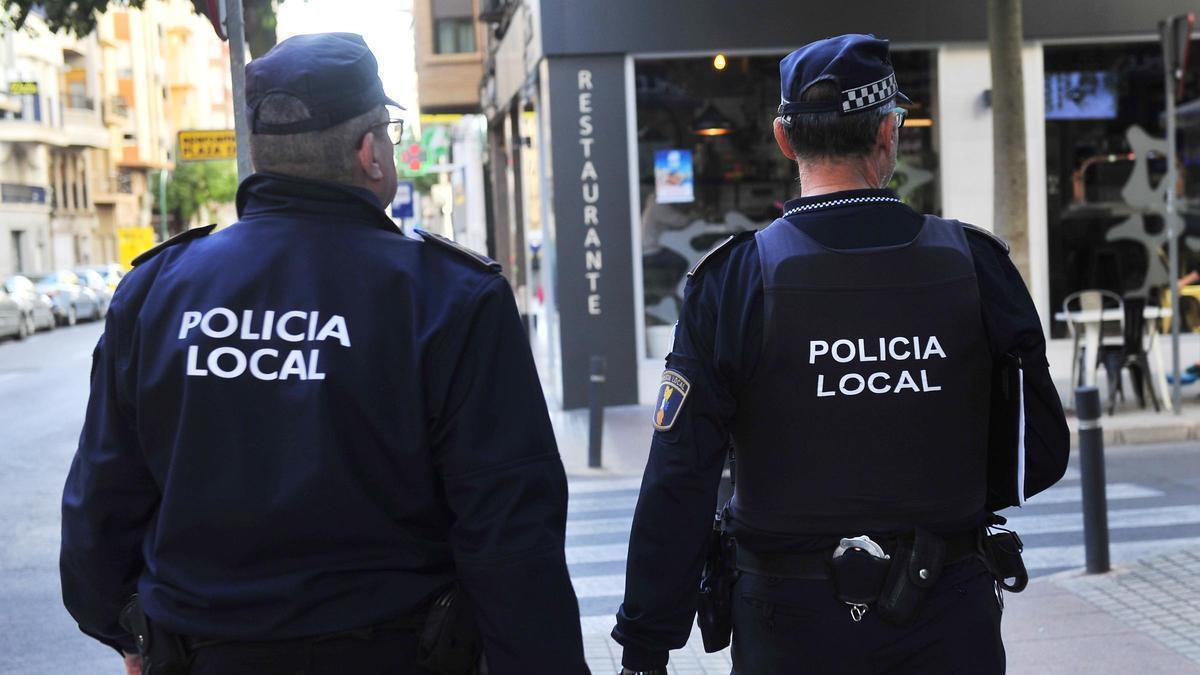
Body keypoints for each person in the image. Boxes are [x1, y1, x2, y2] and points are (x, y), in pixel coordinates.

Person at [61, 32, 587, 675]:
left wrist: (124, 631)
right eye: (389, 133)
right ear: (369, 152)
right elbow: (511, 531)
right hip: (398, 652)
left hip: (201, 655)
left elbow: (100, 499)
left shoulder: (156, 291)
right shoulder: (448, 296)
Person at [612, 34, 1070, 675]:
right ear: (889, 131)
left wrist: (645, 646)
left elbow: (679, 479)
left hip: (786, 621)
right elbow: (1037, 453)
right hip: (946, 610)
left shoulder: (736, 279)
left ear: (783, 137)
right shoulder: (975, 264)